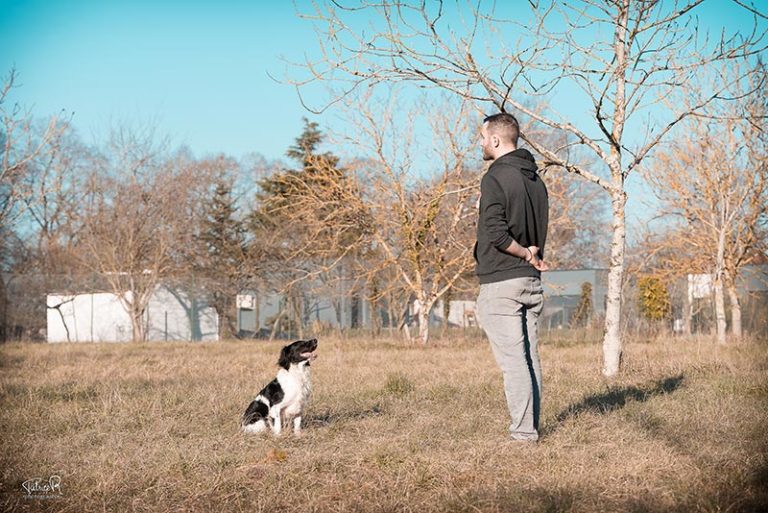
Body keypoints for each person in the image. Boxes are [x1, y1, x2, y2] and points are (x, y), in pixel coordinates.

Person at [475, 112, 549, 442]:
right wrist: (532, 256)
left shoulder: (495, 177)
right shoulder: (535, 180)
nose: (480, 143)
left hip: (503, 280)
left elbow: (496, 233)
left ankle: (523, 435)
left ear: (495, 139)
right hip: (530, 281)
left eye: (482, 137)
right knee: (529, 360)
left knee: (515, 364)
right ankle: (530, 429)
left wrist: (523, 253)